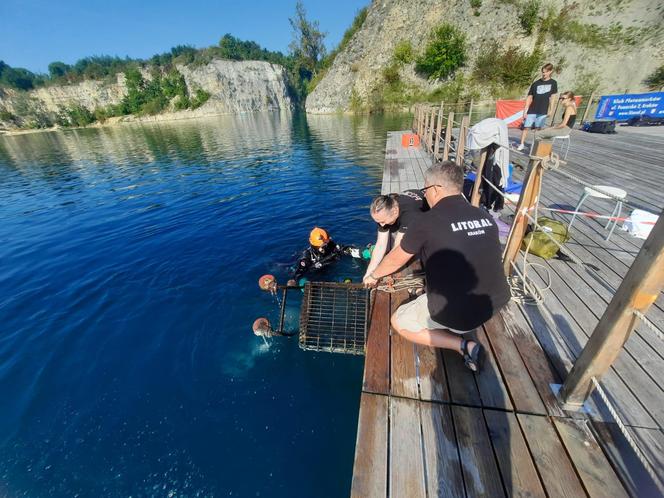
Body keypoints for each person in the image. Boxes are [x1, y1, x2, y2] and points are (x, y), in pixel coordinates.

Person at [364, 161, 511, 371]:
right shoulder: (483, 216)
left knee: (399, 322)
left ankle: (464, 345)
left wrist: (374, 275)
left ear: (435, 189)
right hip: (495, 303)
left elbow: (396, 258)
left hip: (462, 316)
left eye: (425, 190)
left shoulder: (425, 222)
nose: (424, 196)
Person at [363, 189, 428, 284]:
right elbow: (380, 245)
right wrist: (368, 273)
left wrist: (375, 276)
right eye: (378, 222)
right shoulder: (385, 212)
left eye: (382, 221)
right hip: (403, 210)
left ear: (394, 211)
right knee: (388, 243)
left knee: (413, 251)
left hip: (426, 216)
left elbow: (398, 250)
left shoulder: (409, 215)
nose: (381, 225)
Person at [516, 63, 558, 152]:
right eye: (543, 72)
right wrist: (525, 110)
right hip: (532, 109)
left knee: (538, 129)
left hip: (543, 110)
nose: (544, 74)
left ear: (550, 71)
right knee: (526, 127)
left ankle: (534, 145)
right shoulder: (536, 83)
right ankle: (522, 144)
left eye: (546, 72)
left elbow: (553, 98)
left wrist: (551, 110)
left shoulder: (553, 83)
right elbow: (529, 97)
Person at [291, 227, 360, 281]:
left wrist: (358, 251)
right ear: (314, 245)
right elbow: (298, 274)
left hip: (333, 270)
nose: (325, 247)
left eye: (326, 244)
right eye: (321, 246)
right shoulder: (307, 257)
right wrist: (302, 281)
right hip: (316, 276)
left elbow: (343, 249)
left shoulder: (330, 246)